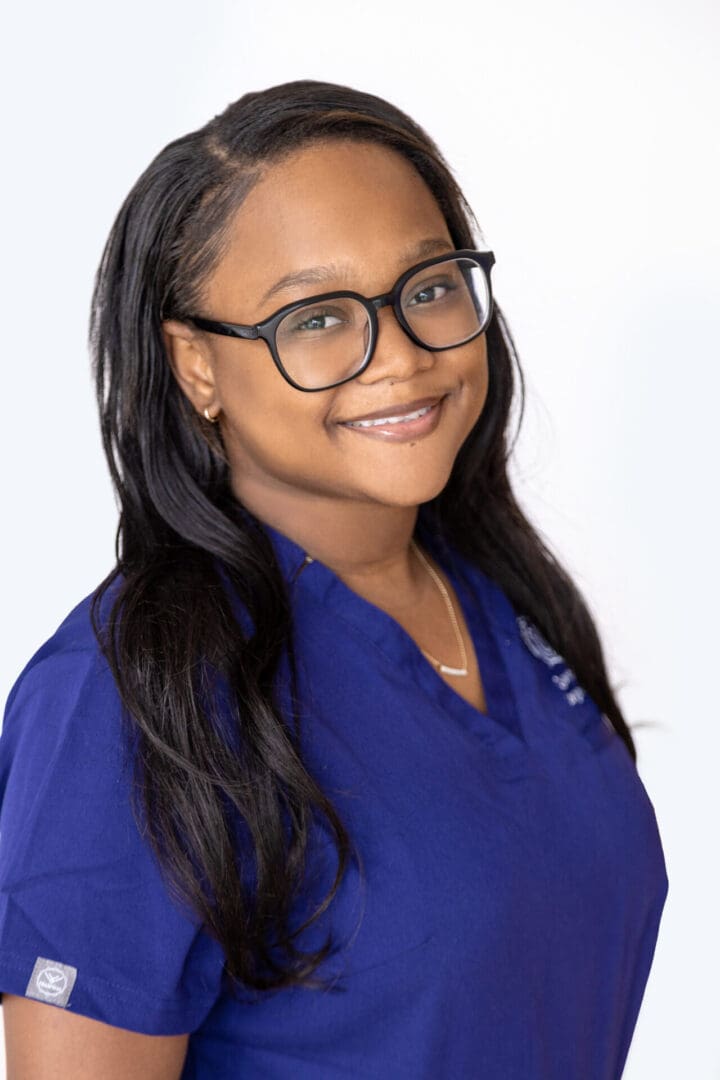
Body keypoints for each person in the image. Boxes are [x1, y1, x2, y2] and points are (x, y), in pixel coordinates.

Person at [0, 79, 668, 1079]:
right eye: (315, 316)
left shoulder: (500, 598)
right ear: (196, 367)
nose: (400, 354)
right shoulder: (130, 696)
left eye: (430, 286)